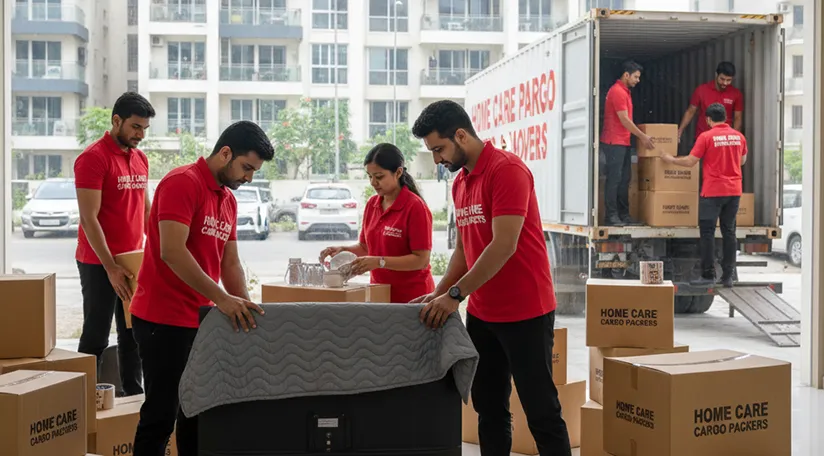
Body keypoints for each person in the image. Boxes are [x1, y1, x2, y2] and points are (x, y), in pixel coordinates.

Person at [410, 100, 571, 456]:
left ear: (461, 135)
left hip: (526, 311)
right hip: (483, 314)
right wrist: (439, 292)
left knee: (541, 411)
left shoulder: (507, 170)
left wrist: (455, 295)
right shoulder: (461, 183)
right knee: (490, 408)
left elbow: (503, 245)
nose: (436, 159)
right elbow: (464, 249)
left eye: (439, 149)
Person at [129, 121, 275, 456]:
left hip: (201, 320)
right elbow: (171, 251)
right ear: (225, 153)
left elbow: (230, 264)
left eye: (254, 171)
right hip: (162, 320)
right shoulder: (183, 182)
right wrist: (222, 299)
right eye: (246, 167)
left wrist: (247, 311)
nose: (249, 177)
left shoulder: (228, 200)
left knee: (196, 414)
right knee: (160, 416)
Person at [74, 92, 155, 397]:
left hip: (132, 260)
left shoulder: (140, 158)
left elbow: (145, 210)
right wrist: (110, 267)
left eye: (144, 129)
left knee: (133, 333)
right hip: (98, 262)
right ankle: (82, 402)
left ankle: (133, 398)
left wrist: (155, 254)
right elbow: (89, 218)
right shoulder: (93, 158)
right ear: (116, 120)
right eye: (135, 127)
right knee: (96, 334)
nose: (140, 135)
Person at [319, 143, 435, 303]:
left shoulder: (415, 207)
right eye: (370, 176)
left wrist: (379, 262)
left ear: (398, 172)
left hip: (412, 297)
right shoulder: (372, 204)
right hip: (379, 294)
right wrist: (343, 250)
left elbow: (421, 260)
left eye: (379, 177)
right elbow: (365, 248)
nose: (373, 182)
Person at [661, 103, 747, 288]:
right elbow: (742, 160)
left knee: (708, 233)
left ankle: (708, 275)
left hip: (713, 192)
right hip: (734, 191)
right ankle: (728, 276)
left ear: (708, 119)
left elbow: (690, 161)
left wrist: (670, 159)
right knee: (729, 232)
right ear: (725, 118)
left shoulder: (706, 137)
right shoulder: (739, 137)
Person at [601, 60, 653, 226]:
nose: (638, 80)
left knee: (625, 179)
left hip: (622, 141)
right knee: (615, 180)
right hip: (613, 142)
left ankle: (624, 216)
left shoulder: (625, 92)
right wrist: (642, 137)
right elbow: (624, 120)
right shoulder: (617, 92)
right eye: (636, 77)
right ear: (626, 75)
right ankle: (611, 216)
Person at [677, 61, 743, 141]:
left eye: (728, 80)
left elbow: (737, 118)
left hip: (723, 140)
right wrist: (680, 131)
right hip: (703, 138)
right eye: (722, 79)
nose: (725, 83)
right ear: (716, 75)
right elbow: (690, 111)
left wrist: (735, 139)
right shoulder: (701, 90)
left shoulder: (736, 94)